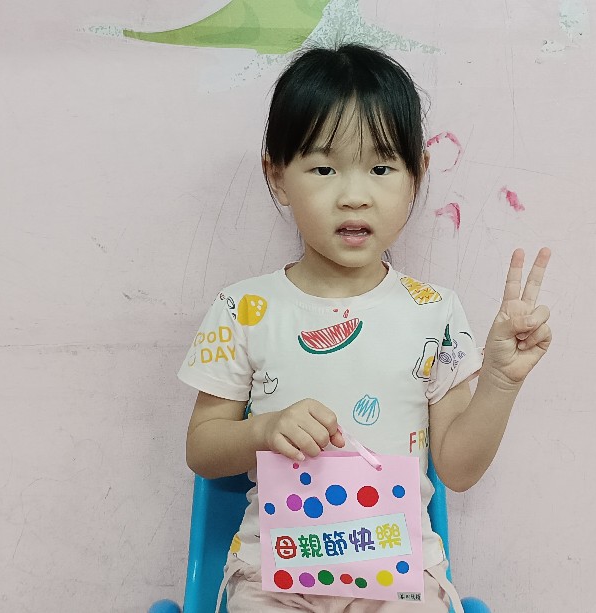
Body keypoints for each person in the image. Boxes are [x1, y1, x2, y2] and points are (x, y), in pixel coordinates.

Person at [178, 43, 552, 612]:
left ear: (415, 176)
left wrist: (501, 381)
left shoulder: (434, 312)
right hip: (275, 576)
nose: (354, 196)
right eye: (323, 169)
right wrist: (263, 429)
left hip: (401, 579)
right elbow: (203, 449)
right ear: (277, 176)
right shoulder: (243, 308)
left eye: (381, 169)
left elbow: (457, 469)